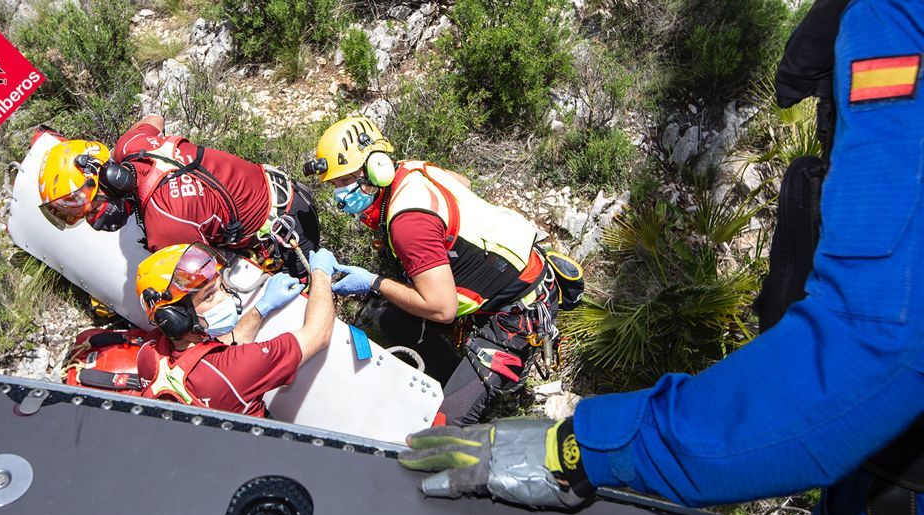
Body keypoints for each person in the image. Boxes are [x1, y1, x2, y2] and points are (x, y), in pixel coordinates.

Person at [398, 0, 924, 515]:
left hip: (896, 495)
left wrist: (584, 449)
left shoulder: (896, 18)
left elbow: (870, 346)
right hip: (870, 471)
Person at [305, 117, 584, 427]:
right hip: (518, 276)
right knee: (392, 319)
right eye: (334, 185)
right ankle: (455, 373)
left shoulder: (408, 223)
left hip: (517, 314)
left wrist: (374, 282)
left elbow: (443, 309)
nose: (339, 194)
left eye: (343, 182)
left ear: (374, 168)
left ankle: (475, 390)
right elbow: (461, 182)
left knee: (443, 431)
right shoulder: (413, 170)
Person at [37, 114, 320, 277]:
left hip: (286, 235)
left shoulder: (165, 223)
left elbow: (208, 282)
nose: (91, 218)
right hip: (282, 190)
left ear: (109, 177)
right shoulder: (130, 145)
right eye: (72, 209)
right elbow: (154, 119)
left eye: (84, 204)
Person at [133, 242, 339, 417]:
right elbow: (318, 334)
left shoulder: (149, 351)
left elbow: (207, 356)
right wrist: (321, 273)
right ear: (174, 318)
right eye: (209, 296)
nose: (226, 297)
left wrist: (260, 309)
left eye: (221, 287)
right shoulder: (235, 370)